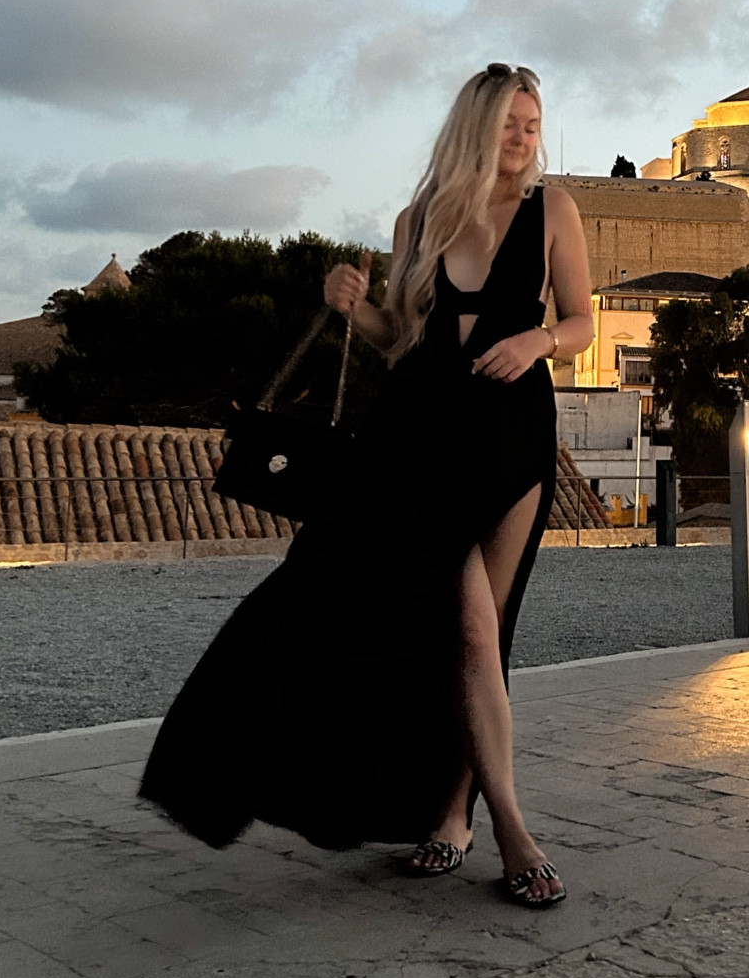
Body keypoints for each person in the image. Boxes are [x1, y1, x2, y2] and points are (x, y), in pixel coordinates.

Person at [139, 64, 595, 907]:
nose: (523, 138)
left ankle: (453, 816)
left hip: (511, 432)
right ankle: (511, 830)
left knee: (486, 635)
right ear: (474, 126)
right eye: (509, 122)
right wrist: (351, 306)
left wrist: (538, 343)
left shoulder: (552, 210)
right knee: (459, 627)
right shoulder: (419, 219)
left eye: (533, 124)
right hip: (419, 433)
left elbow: (581, 322)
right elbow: (400, 341)